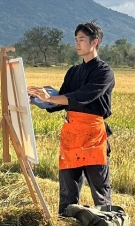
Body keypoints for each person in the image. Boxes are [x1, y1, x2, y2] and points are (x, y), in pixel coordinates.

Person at [28, 22, 115, 216]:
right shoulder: (73, 72)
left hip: (93, 136)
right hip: (71, 135)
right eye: (76, 40)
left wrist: (49, 97)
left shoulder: (104, 72)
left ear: (95, 42)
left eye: (82, 40)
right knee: (67, 191)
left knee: (100, 191)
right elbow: (62, 100)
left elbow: (82, 96)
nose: (77, 44)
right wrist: (36, 100)